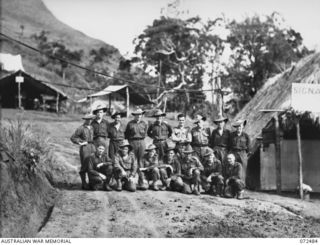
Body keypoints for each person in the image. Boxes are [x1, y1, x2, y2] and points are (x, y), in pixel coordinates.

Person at [70, 113, 96, 190]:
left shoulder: (92, 127)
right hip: (85, 147)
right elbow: (73, 137)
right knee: (85, 164)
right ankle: (84, 183)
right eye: (88, 119)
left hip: (92, 146)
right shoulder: (81, 128)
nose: (89, 121)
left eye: (91, 119)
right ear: (85, 120)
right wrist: (80, 142)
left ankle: (92, 182)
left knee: (92, 165)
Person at [229, 119, 250, 185]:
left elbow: (249, 147)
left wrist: (245, 155)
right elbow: (229, 145)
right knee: (234, 169)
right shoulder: (232, 135)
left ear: (243, 126)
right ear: (236, 127)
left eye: (240, 126)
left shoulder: (246, 136)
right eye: (237, 126)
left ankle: (241, 188)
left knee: (242, 171)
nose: (239, 128)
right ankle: (233, 187)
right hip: (234, 153)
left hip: (242, 153)